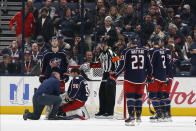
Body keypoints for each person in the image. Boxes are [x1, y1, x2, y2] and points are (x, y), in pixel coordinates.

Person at [109, 37, 152, 126]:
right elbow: (149, 65)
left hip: (130, 78)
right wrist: (150, 76)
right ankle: (139, 117)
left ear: (130, 43)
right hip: (141, 78)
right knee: (139, 97)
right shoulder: (145, 50)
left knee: (130, 98)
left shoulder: (126, 51)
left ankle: (132, 117)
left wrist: (114, 76)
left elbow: (122, 65)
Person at [148, 37, 172, 122]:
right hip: (163, 76)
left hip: (155, 76)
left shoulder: (152, 51)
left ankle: (159, 113)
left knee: (154, 96)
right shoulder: (164, 51)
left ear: (152, 42)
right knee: (162, 96)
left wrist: (149, 75)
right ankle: (167, 114)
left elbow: (150, 64)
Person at [95, 40, 119, 119]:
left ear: (107, 45)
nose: (102, 46)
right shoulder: (101, 54)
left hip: (110, 74)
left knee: (110, 94)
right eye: (102, 45)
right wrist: (89, 65)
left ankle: (109, 112)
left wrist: (114, 72)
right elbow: (98, 64)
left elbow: (118, 62)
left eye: (104, 45)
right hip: (104, 74)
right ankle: (102, 110)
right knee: (102, 93)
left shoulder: (111, 53)